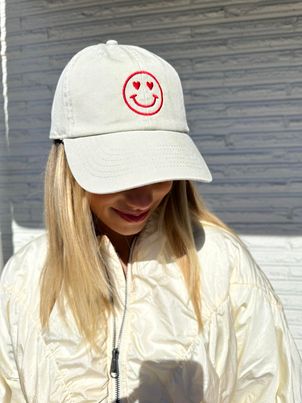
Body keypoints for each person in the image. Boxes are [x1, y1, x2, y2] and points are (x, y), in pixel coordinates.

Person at [0, 40, 301, 403]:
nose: (144, 198)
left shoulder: (225, 264)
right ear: (68, 168)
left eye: (161, 169)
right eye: (121, 173)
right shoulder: (24, 280)